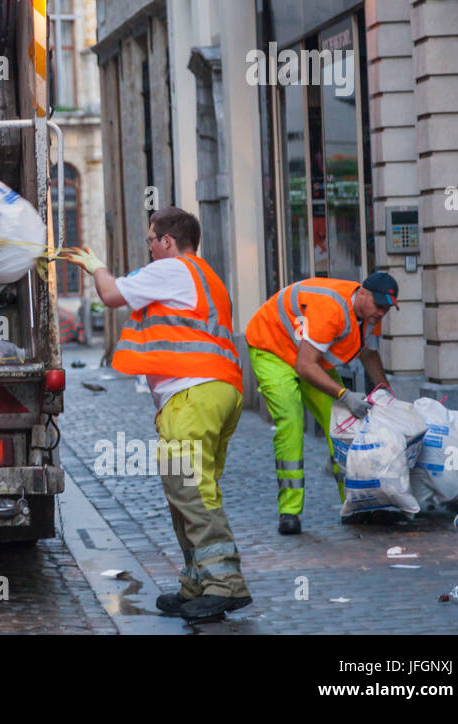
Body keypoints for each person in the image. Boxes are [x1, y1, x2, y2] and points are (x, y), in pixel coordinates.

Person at [68, 207, 251, 621]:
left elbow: (112, 294)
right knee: (189, 491)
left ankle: (225, 584)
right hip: (217, 391)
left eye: (151, 239)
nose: (149, 248)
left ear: (167, 241)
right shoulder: (207, 276)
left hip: (192, 394)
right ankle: (197, 584)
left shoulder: (172, 269)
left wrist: (97, 267)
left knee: (192, 492)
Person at [245, 271, 397, 535]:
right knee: (291, 421)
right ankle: (289, 513)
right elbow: (305, 366)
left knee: (343, 425)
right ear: (362, 294)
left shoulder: (369, 316)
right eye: (379, 305)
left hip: (311, 355)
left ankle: (355, 505)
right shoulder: (332, 309)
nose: (382, 312)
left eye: (386, 308)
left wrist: (386, 393)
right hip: (272, 347)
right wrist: (344, 395)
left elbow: (369, 354)